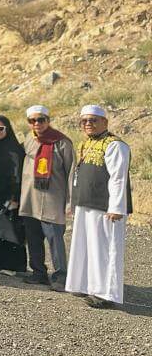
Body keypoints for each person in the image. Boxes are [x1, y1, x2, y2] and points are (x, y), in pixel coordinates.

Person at [65, 105, 132, 309]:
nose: (88, 124)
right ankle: (84, 284)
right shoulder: (86, 143)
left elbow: (118, 178)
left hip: (106, 208)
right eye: (84, 120)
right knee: (84, 247)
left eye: (93, 120)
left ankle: (105, 293)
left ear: (105, 122)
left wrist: (116, 207)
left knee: (104, 250)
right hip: (86, 204)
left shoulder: (115, 145)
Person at [20, 105, 74, 290]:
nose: (37, 124)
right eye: (32, 120)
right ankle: (38, 273)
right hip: (30, 199)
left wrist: (70, 201)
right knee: (33, 238)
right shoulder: (29, 139)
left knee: (55, 240)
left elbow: (71, 173)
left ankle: (60, 276)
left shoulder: (62, 143)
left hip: (52, 199)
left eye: (41, 120)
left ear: (48, 120)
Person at [0, 115, 28, 274]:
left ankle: (13, 265)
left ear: (7, 129)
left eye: (1, 128)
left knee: (10, 228)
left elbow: (17, 175)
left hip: (9, 195)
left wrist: (14, 198)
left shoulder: (13, 149)